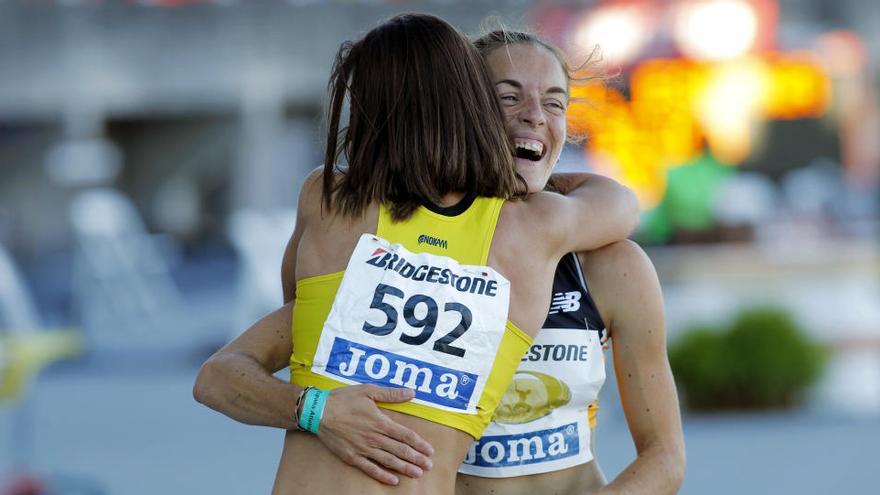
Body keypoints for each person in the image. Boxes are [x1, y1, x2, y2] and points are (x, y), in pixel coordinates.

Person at [193, 13, 639, 495]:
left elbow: (244, 363)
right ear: (471, 106)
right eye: (507, 98)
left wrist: (315, 408)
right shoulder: (532, 227)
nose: (530, 113)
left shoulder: (331, 199)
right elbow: (621, 203)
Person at [454, 31, 685, 495]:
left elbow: (665, 458)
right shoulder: (412, 246)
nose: (536, 116)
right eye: (508, 97)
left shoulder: (610, 264)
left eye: (555, 103)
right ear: (462, 111)